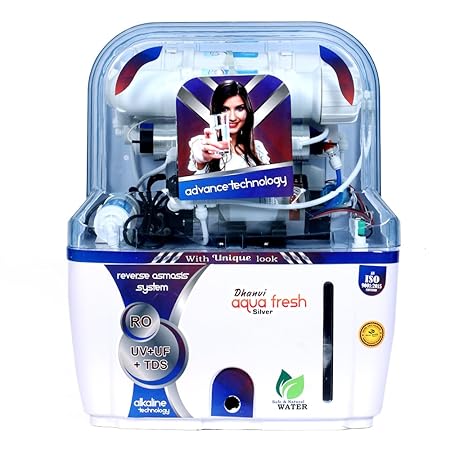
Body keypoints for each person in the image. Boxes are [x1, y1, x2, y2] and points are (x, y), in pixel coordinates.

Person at [188, 80, 270, 173]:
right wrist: (202, 156)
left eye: (239, 108)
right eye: (224, 109)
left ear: (247, 111)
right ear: (216, 111)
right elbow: (199, 152)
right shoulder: (206, 144)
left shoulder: (257, 147)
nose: (232, 117)